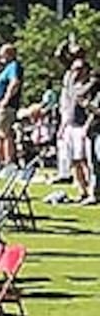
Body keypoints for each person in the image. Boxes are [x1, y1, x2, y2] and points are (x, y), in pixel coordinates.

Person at [58, 51, 95, 205]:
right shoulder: (71, 86)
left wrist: (87, 126)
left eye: (79, 69)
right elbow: (67, 108)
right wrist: (62, 126)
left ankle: (92, 190)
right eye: (74, 69)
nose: (76, 72)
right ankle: (82, 190)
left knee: (84, 160)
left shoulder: (91, 86)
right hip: (70, 125)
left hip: (82, 126)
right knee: (73, 160)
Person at [0, 42, 23, 168]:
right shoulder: (6, 68)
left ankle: (8, 161)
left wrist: (6, 99)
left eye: (3, 54)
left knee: (5, 133)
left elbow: (14, 82)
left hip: (6, 107)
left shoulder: (14, 66)